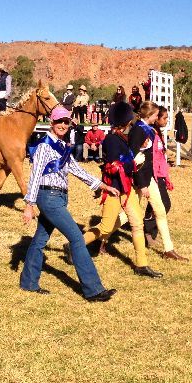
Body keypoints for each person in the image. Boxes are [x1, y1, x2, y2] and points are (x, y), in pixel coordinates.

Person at [20, 106, 119, 302]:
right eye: (59, 121)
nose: (63, 125)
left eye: (66, 122)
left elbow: (77, 170)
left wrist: (103, 186)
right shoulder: (44, 146)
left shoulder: (63, 146)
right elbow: (35, 175)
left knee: (40, 240)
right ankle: (93, 290)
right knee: (77, 238)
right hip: (48, 198)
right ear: (52, 122)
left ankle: (28, 282)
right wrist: (29, 204)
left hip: (59, 198)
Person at [82, 102, 163, 278]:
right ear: (126, 121)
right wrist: (135, 163)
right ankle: (76, 246)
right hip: (114, 190)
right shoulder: (111, 140)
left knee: (137, 224)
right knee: (106, 227)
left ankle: (141, 264)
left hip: (126, 189)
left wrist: (132, 163)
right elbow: (113, 167)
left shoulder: (120, 137)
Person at [142, 106, 187, 261]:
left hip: (159, 175)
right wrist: (154, 177)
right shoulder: (150, 133)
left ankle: (166, 247)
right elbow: (150, 157)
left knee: (159, 207)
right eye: (164, 118)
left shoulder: (159, 133)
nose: (167, 121)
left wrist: (166, 174)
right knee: (163, 205)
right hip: (152, 176)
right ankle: (147, 229)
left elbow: (160, 154)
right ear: (155, 117)